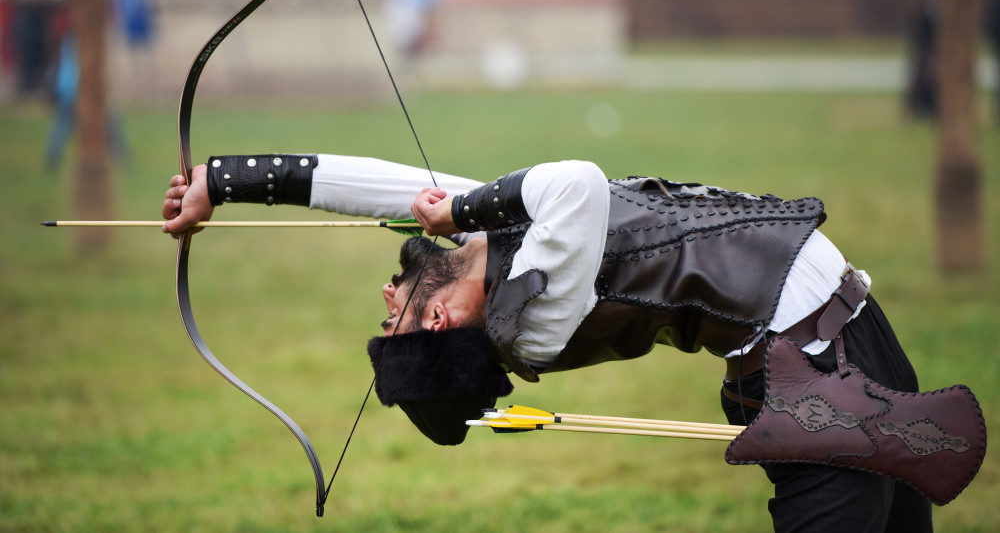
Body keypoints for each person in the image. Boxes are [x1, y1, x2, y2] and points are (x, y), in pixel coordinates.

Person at [163, 154, 936, 531]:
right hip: (813, 375)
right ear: (438, 323)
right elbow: (578, 182)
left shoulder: (486, 250)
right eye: (390, 314)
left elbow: (374, 186)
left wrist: (223, 182)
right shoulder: (532, 311)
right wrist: (461, 205)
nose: (388, 294)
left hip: (847, 324)